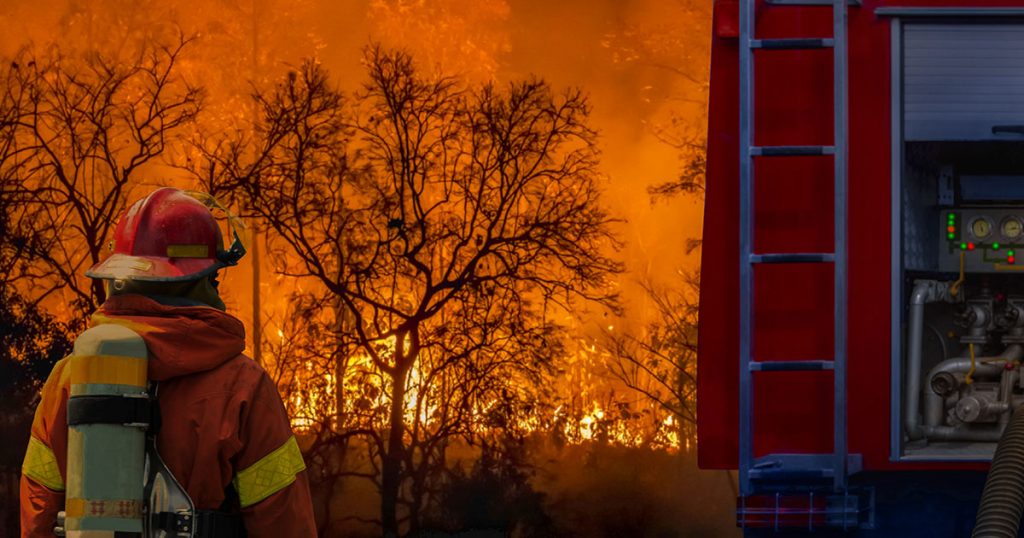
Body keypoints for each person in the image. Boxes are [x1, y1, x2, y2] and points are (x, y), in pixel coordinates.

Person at [19, 187, 317, 537]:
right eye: (214, 277)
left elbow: (39, 509)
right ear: (200, 279)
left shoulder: (69, 377)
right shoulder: (245, 386)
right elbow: (283, 520)